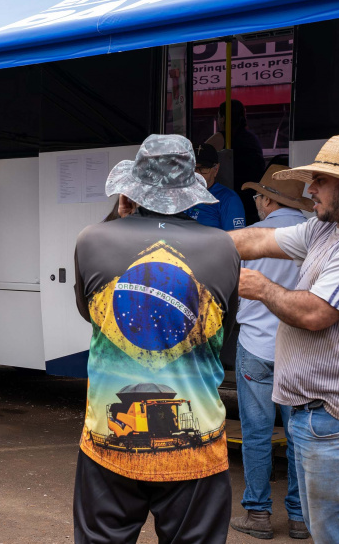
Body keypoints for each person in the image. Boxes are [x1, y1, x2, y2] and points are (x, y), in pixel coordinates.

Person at [72, 135, 240, 543]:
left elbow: (89, 313)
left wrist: (120, 217)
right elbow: (223, 325)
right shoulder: (223, 247)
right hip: (196, 447)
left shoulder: (92, 239)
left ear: (132, 189)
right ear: (191, 188)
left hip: (109, 442)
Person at [228, 134, 339, 542]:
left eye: (318, 179)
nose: (310, 189)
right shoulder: (325, 230)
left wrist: (261, 287)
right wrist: (181, 247)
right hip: (316, 416)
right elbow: (257, 239)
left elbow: (317, 313)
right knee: (332, 533)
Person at [229, 165, 313, 540]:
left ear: (267, 200)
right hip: (300, 350)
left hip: (255, 347)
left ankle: (258, 515)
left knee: (258, 435)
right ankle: (299, 518)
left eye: (258, 197)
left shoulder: (248, 236)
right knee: (299, 436)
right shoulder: (318, 235)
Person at [205, 99, 266, 226]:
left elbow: (200, 155)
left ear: (222, 118)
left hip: (234, 194)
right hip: (255, 198)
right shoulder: (252, 138)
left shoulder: (222, 137)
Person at [186, 142, 246, 231]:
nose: (196, 174)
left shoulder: (228, 199)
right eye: (192, 168)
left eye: (203, 168)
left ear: (216, 169)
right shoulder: (177, 195)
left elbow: (236, 240)